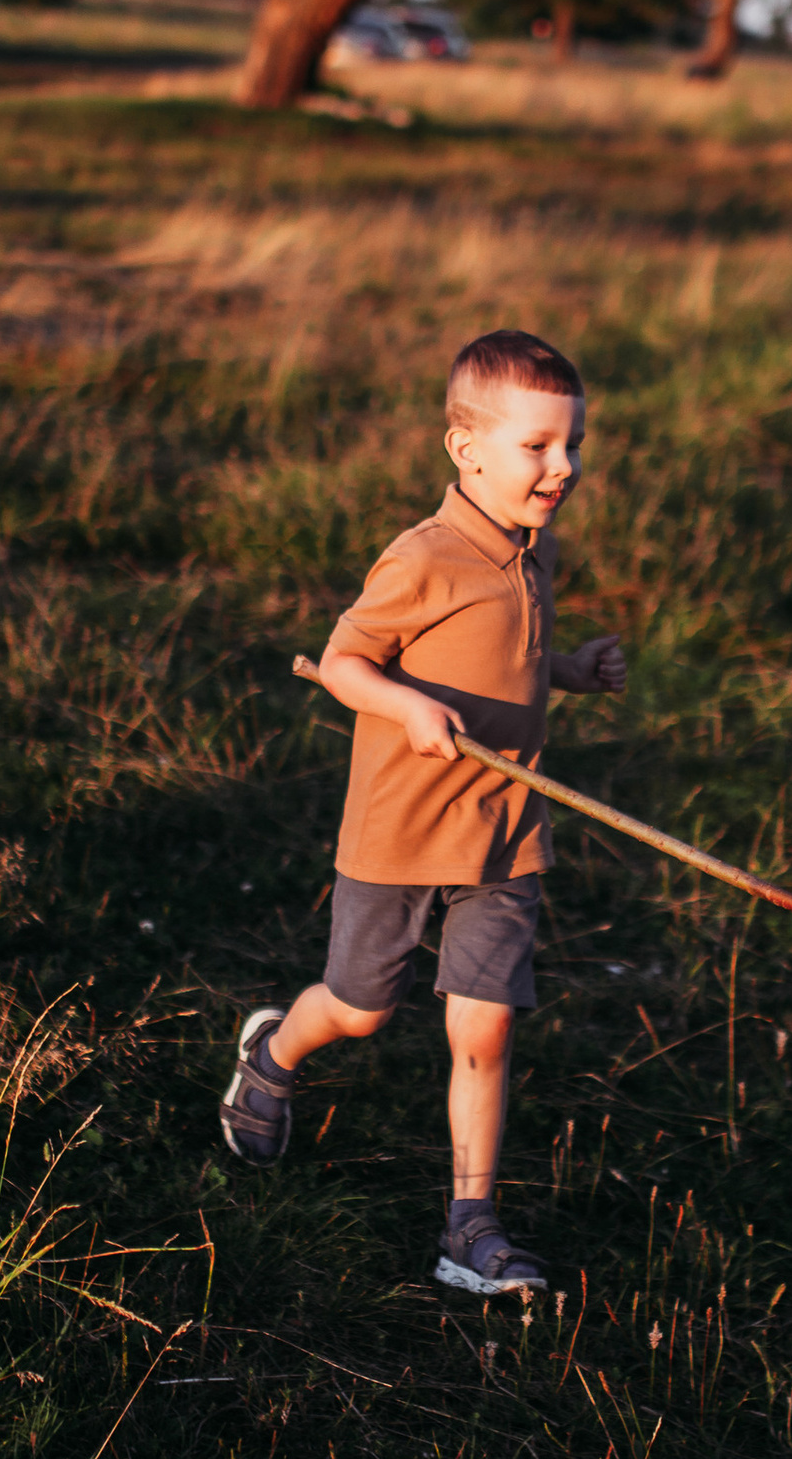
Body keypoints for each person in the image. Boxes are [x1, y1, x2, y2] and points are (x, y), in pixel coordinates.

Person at [218, 327, 627, 1295]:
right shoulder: (426, 556)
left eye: (571, 444)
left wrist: (567, 672)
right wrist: (404, 704)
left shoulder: (534, 549)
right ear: (465, 447)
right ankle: (273, 1055)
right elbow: (350, 659)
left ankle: (470, 1225)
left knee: (482, 1029)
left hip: (504, 830)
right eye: (537, 447)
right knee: (360, 1010)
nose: (561, 467)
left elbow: (507, 659)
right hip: (402, 830)